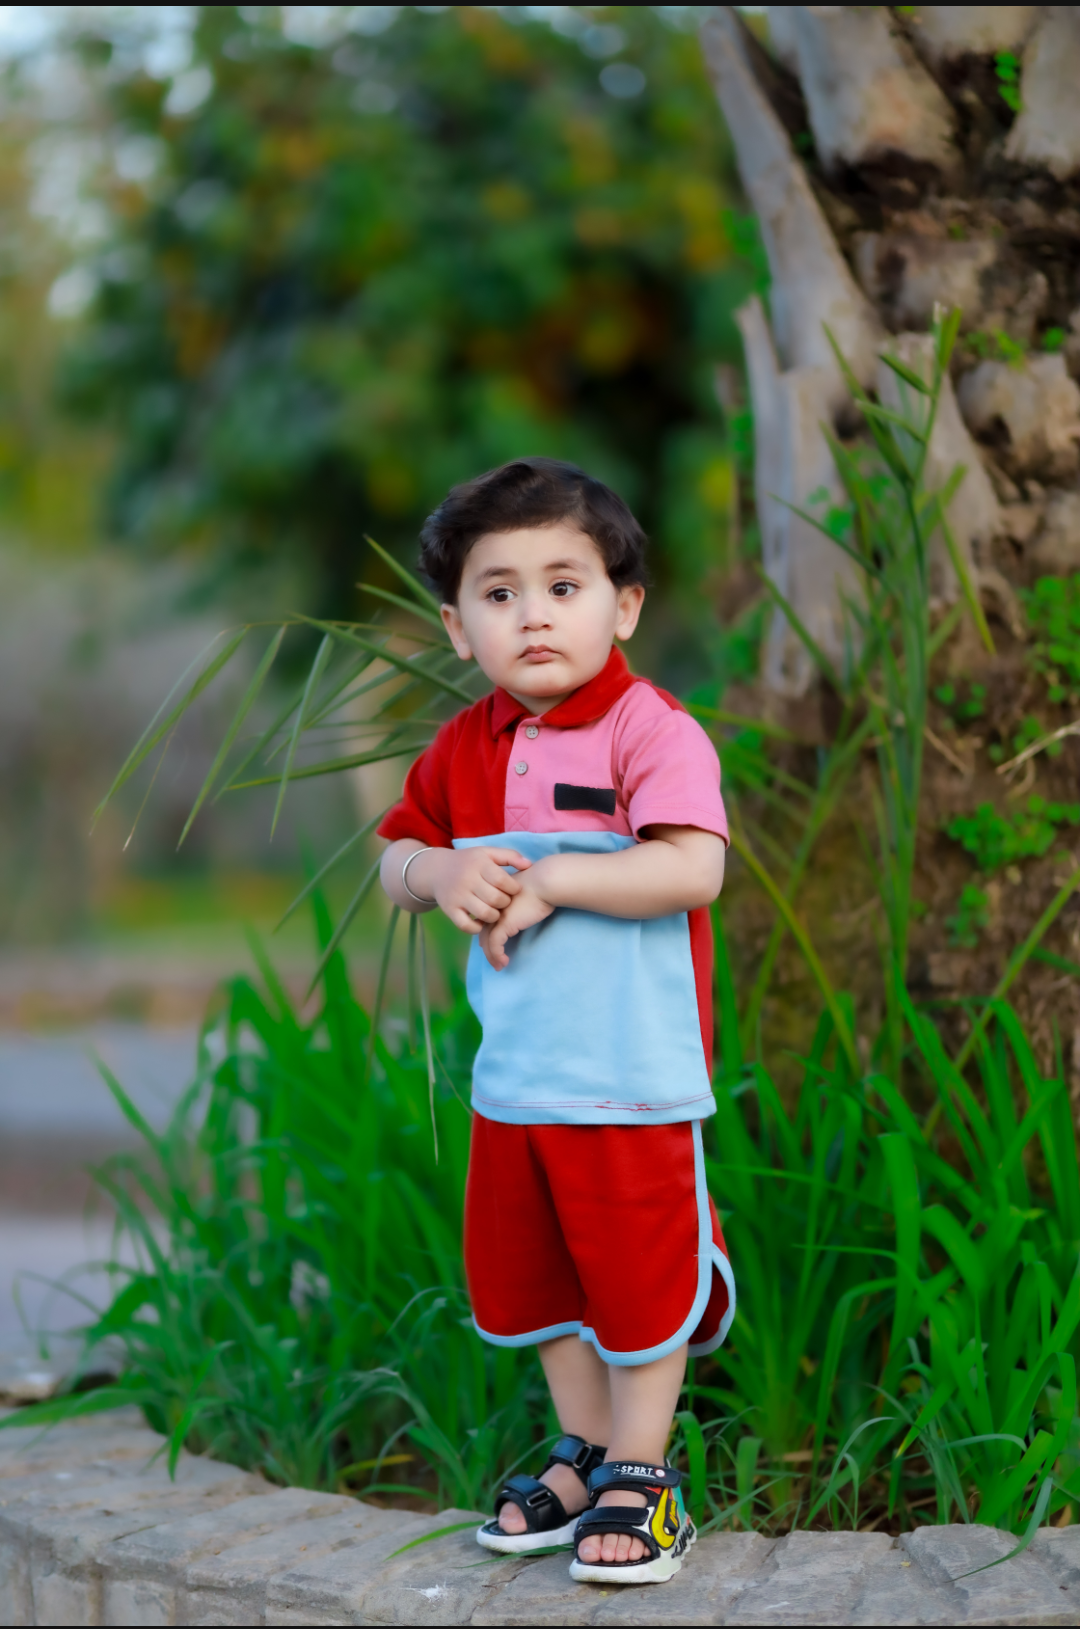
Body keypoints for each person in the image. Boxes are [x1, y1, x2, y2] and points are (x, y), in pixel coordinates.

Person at [378, 457, 733, 1586]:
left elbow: (694, 870)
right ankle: (581, 1451)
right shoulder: (464, 747)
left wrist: (559, 877)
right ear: (456, 625)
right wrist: (434, 875)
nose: (533, 613)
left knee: (636, 1275)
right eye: (499, 592)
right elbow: (393, 852)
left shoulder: (648, 728)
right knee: (535, 1282)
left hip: (632, 1074)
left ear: (623, 606)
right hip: (517, 1079)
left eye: (564, 585)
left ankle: (645, 1471)